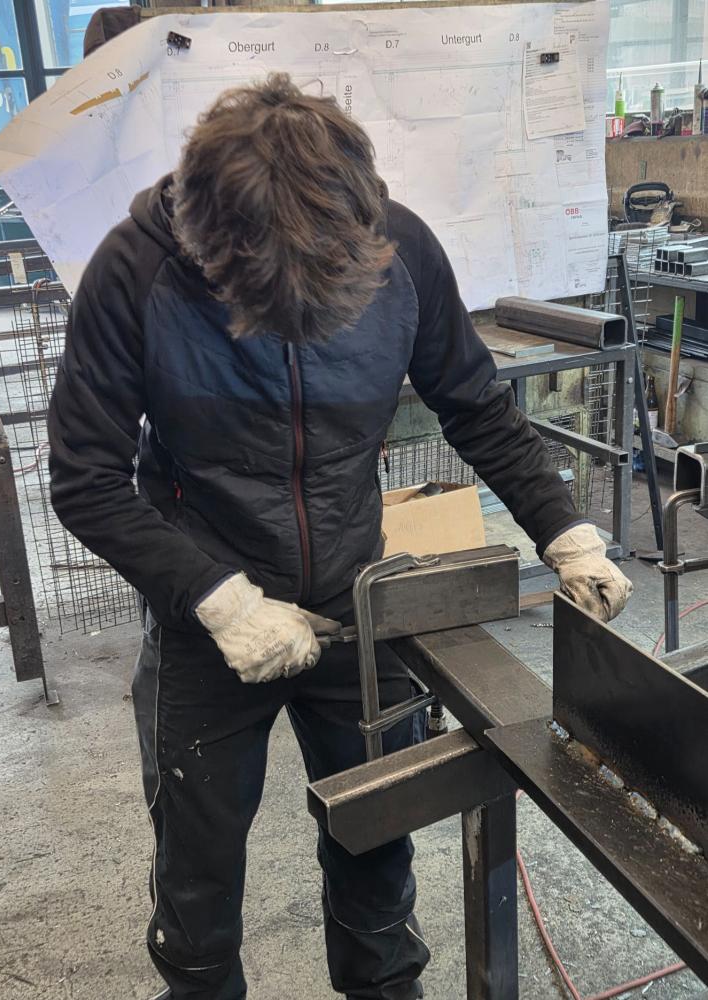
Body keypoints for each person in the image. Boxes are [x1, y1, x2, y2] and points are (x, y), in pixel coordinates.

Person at [48, 73, 632, 1000]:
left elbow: (475, 405)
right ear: (212, 248)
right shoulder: (133, 274)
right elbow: (84, 478)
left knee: (377, 840)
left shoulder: (402, 249)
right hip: (209, 617)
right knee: (197, 865)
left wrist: (566, 532)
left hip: (359, 605)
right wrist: (219, 600)